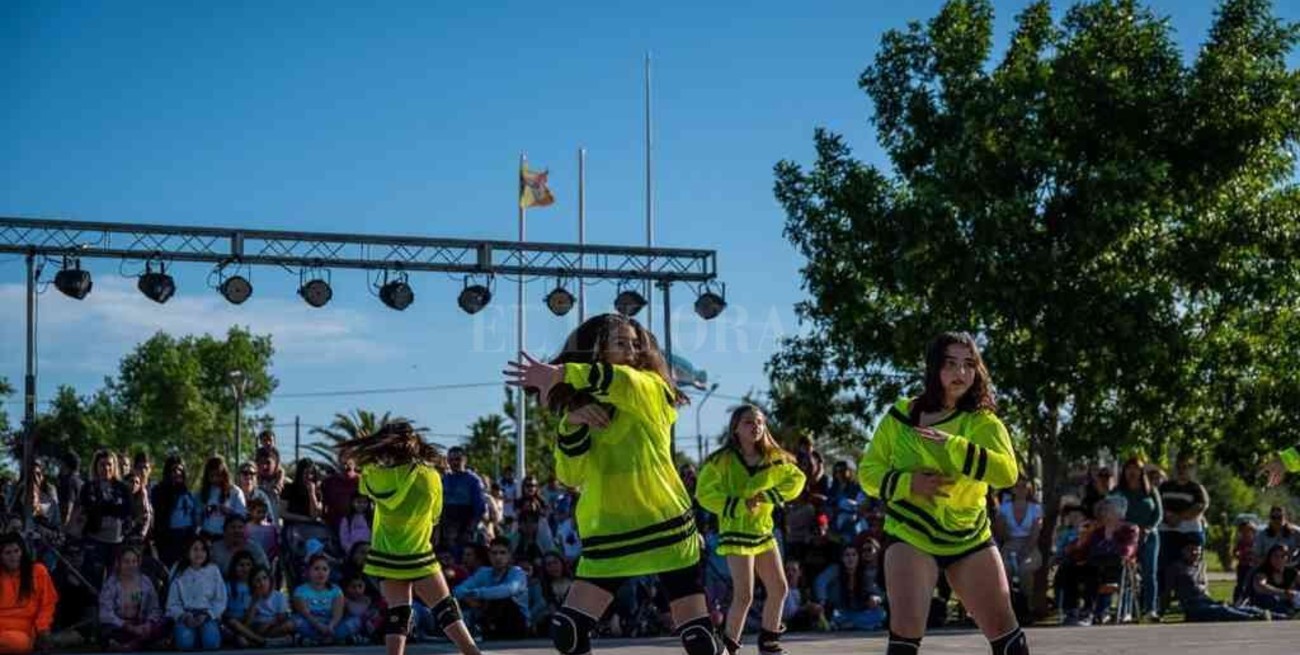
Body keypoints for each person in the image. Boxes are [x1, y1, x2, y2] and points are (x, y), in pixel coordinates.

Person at [505, 313, 724, 655]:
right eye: (621, 343)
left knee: (699, 639)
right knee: (569, 631)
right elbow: (571, 476)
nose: (633, 350)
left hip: (663, 524)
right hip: (610, 534)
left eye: (636, 344)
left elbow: (621, 381)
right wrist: (571, 424)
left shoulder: (651, 387)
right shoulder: (583, 408)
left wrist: (563, 373)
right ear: (596, 350)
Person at [857, 332, 1026, 655]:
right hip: (911, 532)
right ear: (934, 368)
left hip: (969, 536)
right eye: (951, 364)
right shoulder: (900, 415)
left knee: (1009, 639)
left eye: (968, 365)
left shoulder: (983, 421)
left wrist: (953, 446)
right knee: (904, 639)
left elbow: (1007, 473)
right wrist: (908, 484)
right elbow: (868, 473)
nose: (960, 373)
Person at [339, 420, 483, 655]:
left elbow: (364, 486)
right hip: (418, 554)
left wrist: (372, 454)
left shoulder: (375, 476)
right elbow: (436, 514)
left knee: (398, 613)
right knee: (445, 608)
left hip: (385, 555)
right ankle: (472, 653)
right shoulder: (429, 476)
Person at [695, 404, 806, 655]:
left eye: (759, 422)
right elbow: (704, 494)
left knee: (779, 588)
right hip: (736, 533)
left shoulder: (774, 458)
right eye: (748, 422)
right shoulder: (720, 460)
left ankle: (768, 642)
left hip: (764, 532)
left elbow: (797, 479)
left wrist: (769, 495)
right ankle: (728, 647)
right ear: (735, 428)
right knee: (744, 595)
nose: (755, 426)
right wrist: (738, 505)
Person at [1109, 456, 1162, 620]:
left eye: (1136, 469)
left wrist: (1148, 528)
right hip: (1126, 537)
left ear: (1142, 472)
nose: (1132, 472)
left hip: (1148, 536)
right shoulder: (1118, 492)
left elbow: (1158, 514)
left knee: (1149, 573)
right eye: (1129, 469)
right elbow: (1110, 511)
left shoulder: (1150, 490)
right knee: (1127, 573)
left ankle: (1150, 609)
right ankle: (1126, 610)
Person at [1157, 451, 1208, 614]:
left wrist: (1179, 517)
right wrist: (1166, 516)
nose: (1182, 470)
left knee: (1189, 568)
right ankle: (1161, 605)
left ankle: (1194, 600)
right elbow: (1157, 504)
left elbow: (1201, 505)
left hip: (1189, 532)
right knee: (1165, 568)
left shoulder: (1196, 488)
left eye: (1186, 467)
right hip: (1167, 531)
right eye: (1179, 467)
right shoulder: (1164, 486)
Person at [1166, 544, 1270, 622]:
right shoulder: (1177, 568)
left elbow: (1204, 587)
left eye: (1196, 549)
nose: (1194, 552)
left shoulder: (1201, 565)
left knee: (1231, 606)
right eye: (1190, 549)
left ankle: (1272, 614)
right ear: (1183, 551)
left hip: (1206, 600)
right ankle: (1251, 618)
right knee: (1221, 609)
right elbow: (1167, 590)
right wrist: (1163, 609)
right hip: (1192, 606)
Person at [454, 537, 530, 639]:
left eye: (502, 553)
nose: (498, 557)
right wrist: (468, 597)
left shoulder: (517, 573)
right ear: (489, 556)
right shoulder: (483, 572)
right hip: (490, 619)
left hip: (517, 623)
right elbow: (458, 590)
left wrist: (477, 594)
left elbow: (508, 590)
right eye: (494, 553)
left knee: (503, 599)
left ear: (510, 556)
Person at [165, 536, 227, 651]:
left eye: (202, 549)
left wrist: (208, 615)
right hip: (186, 614)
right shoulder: (179, 569)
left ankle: (207, 633)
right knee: (185, 644)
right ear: (187, 551)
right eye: (195, 549)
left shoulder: (213, 570)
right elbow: (172, 602)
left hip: (207, 615)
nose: (199, 553)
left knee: (211, 643)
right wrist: (184, 616)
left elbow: (220, 599)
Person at [98, 545, 164, 652]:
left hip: (141, 625)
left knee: (161, 626)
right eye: (126, 562)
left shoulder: (145, 582)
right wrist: (128, 627)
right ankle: (135, 644)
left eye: (134, 561)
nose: (131, 565)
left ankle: (129, 646)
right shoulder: (111, 584)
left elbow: (155, 608)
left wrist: (148, 624)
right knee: (106, 632)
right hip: (120, 627)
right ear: (119, 563)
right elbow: (105, 613)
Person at [0, 533, 57, 654]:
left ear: (23, 551)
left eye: (16, 551)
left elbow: (48, 604)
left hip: (22, 632)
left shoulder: (38, 571)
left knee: (19, 643)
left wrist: (43, 628)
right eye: (8, 553)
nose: (13, 556)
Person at [813, 540, 886, 631]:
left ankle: (849, 624)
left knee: (881, 614)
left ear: (858, 557)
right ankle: (858, 625)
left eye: (854, 555)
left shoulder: (865, 573)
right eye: (847, 555)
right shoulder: (835, 570)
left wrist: (876, 598)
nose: (850, 558)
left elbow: (878, 594)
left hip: (859, 613)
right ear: (842, 558)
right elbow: (821, 581)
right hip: (840, 611)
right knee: (836, 616)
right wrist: (822, 600)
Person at [996, 477, 1043, 611]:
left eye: (1024, 486)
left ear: (1029, 489)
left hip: (1030, 546)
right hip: (1010, 544)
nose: (1021, 489)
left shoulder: (1036, 509)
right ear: (1012, 489)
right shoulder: (1004, 508)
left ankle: (1027, 605)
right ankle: (1007, 606)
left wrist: (1024, 551)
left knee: (1025, 569)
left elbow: (1035, 532)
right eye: (1018, 486)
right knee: (1005, 569)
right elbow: (1001, 534)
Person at [292, 555, 359, 645]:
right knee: (296, 621)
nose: (321, 572)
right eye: (316, 569)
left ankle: (319, 640)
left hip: (332, 625)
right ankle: (334, 639)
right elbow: (306, 614)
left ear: (329, 572)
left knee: (355, 621)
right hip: (312, 624)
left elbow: (337, 614)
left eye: (325, 569)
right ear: (308, 571)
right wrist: (320, 626)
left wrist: (330, 626)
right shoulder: (300, 591)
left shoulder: (336, 590)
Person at [150, 455, 200, 568]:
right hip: (170, 538)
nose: (178, 473)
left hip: (188, 536)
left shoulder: (187, 492)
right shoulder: (160, 491)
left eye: (180, 470)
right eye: (174, 470)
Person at [441, 447, 486, 551]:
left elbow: (480, 509)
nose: (454, 463)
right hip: (448, 530)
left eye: (457, 459)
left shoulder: (473, 480)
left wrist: (470, 530)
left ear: (464, 460)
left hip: (466, 530)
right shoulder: (445, 479)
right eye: (451, 460)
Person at [196, 456, 246, 540]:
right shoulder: (202, 493)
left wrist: (228, 511)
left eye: (218, 475)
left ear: (224, 474)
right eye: (212, 475)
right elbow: (196, 518)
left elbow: (242, 516)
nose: (215, 479)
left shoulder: (235, 491)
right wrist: (205, 511)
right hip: (206, 535)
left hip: (226, 537)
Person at [1250, 545, 1298, 617]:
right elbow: (1260, 586)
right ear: (1269, 557)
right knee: (1271, 599)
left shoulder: (1292, 572)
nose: (1278, 559)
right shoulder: (1262, 571)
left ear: (1287, 558)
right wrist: (1283, 593)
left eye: (1282, 556)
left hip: (1286, 603)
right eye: (1275, 556)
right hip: (1267, 603)